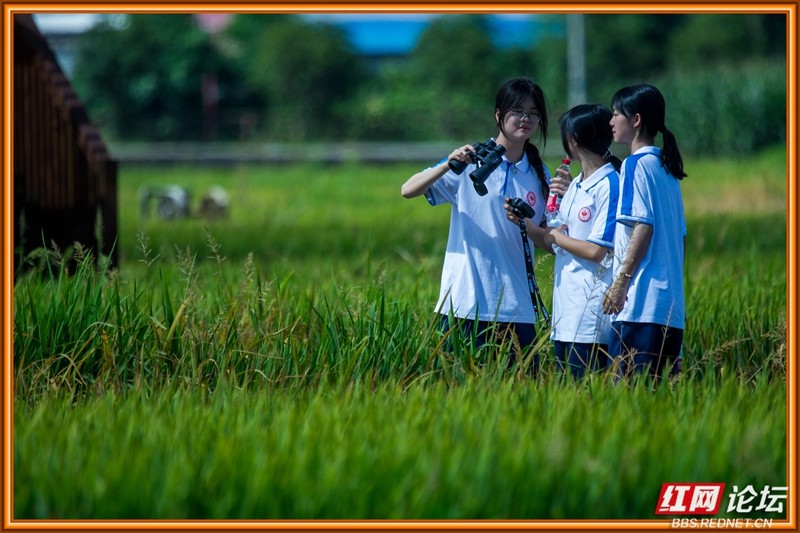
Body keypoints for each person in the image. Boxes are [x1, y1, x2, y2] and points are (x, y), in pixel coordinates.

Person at [400, 77, 560, 373]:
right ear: (498, 115)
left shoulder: (540, 175)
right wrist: (448, 164)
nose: (525, 119)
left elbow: (547, 242)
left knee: (524, 391)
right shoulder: (469, 163)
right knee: (456, 391)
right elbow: (408, 189)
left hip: (518, 306)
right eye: (517, 111)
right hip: (465, 303)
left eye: (533, 113)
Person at [508, 104, 622, 379]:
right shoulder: (577, 184)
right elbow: (555, 239)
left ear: (573, 140)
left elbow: (597, 250)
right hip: (568, 313)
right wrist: (524, 223)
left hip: (592, 312)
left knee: (588, 393)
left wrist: (556, 235)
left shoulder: (610, 184)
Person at [601, 83, 687, 382]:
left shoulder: (635, 164)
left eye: (615, 114)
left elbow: (643, 226)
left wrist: (620, 284)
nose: (610, 122)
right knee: (659, 402)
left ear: (635, 120)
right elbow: (681, 239)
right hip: (669, 308)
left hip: (640, 306)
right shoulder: (667, 169)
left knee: (627, 403)